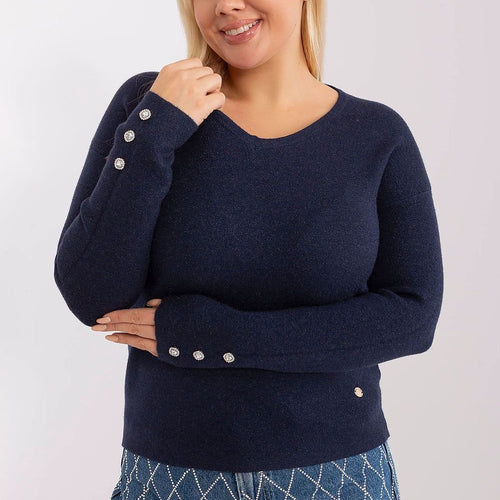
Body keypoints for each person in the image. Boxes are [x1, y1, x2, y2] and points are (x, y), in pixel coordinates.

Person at [54, 0, 443, 498]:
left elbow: (413, 316)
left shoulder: (376, 134)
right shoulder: (149, 108)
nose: (225, 5)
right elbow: (92, 295)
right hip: (170, 476)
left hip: (335, 476)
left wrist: (217, 337)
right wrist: (153, 133)